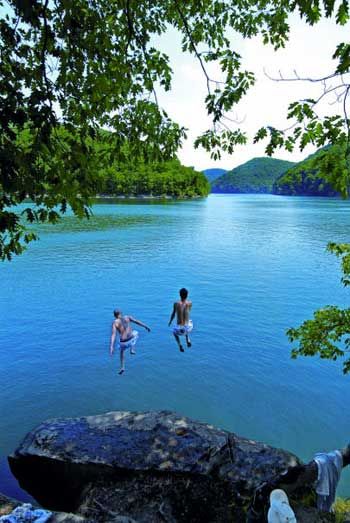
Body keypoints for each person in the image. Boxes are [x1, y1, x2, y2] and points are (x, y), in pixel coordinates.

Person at [110, 309, 150, 374]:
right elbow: (137, 321)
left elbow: (113, 334)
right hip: (131, 339)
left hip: (124, 343)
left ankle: (122, 367)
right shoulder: (127, 317)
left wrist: (111, 346)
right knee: (135, 333)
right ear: (121, 313)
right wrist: (145, 326)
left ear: (114, 316)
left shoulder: (115, 323)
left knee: (122, 352)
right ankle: (132, 349)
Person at [168, 288, 193, 352]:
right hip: (188, 328)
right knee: (189, 322)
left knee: (174, 333)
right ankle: (188, 339)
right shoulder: (190, 303)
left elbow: (173, 314)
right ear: (187, 295)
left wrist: (170, 321)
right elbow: (188, 312)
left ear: (179, 295)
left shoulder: (176, 303)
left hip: (179, 329)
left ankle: (180, 345)